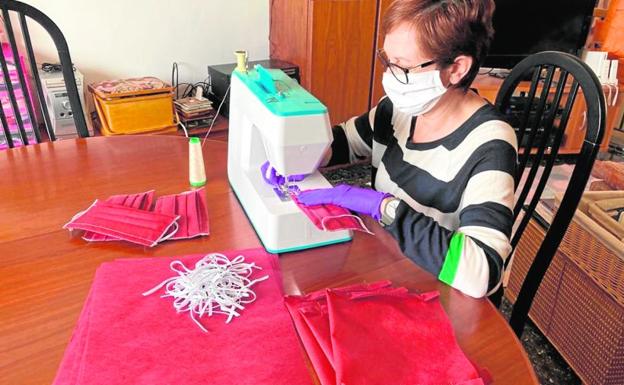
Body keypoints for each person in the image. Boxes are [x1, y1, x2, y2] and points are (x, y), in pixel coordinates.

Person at [265, 0, 517, 299]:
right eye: (388, 61)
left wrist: (384, 207)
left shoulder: (491, 144)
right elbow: (346, 140)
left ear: (457, 69)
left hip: (439, 291)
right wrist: (299, 155)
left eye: (403, 66)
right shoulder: (398, 110)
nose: (390, 77)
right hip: (388, 262)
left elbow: (482, 273)